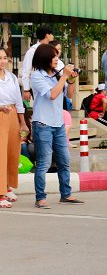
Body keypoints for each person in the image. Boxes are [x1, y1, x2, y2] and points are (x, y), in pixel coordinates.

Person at [29, 43, 83, 208]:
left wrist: (71, 80)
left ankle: (66, 194)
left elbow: (69, 95)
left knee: (64, 160)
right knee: (44, 163)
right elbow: (52, 95)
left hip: (58, 123)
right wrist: (64, 77)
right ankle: (40, 198)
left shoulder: (57, 75)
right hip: (43, 124)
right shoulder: (37, 76)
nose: (56, 59)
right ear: (44, 58)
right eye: (53, 56)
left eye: (57, 56)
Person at [0, 48, 24, 208]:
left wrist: (22, 122)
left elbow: (19, 100)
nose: (2, 61)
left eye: (4, 58)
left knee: (12, 152)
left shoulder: (12, 77)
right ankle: (0, 193)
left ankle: (8, 187)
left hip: (13, 114)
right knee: (1, 154)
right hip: (1, 114)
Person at [20, 25, 55, 103]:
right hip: (38, 84)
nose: (53, 36)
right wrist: (26, 89)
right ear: (47, 35)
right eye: (51, 34)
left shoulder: (51, 49)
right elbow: (26, 70)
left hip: (50, 83)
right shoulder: (33, 50)